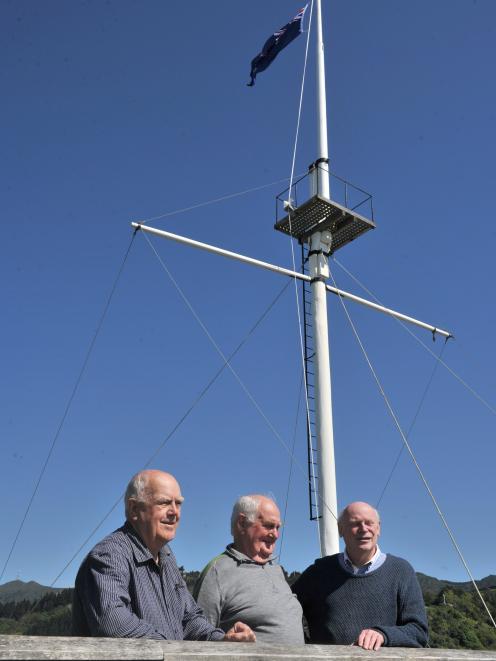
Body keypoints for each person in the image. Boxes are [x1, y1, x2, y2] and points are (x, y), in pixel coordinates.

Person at [72, 470, 255, 642]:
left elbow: (189, 620)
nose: (174, 512)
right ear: (134, 509)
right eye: (164, 502)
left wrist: (222, 640)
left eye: (179, 503)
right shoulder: (109, 555)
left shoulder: (166, 557)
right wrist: (172, 648)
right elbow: (112, 623)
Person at [292, 501, 428, 650]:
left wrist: (383, 635)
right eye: (355, 523)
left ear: (378, 528)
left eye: (369, 523)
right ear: (341, 530)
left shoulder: (401, 571)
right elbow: (285, 610)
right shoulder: (319, 571)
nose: (364, 529)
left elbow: (418, 632)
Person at [194, 494, 304, 644]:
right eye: (268, 525)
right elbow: (198, 638)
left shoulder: (277, 570)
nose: (276, 535)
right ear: (241, 523)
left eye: (278, 527)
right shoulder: (217, 572)